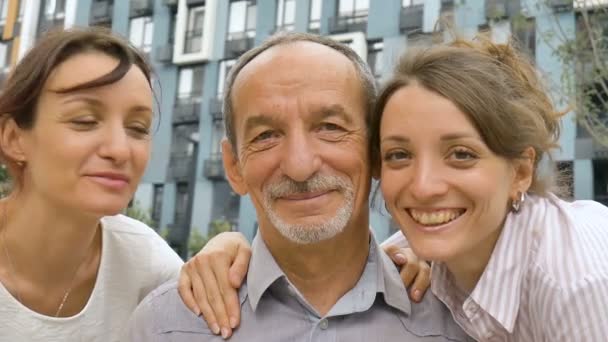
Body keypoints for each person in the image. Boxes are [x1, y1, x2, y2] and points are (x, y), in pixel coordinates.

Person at [184, 37, 608, 341]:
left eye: (461, 154)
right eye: (400, 156)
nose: (423, 188)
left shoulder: (578, 283)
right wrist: (227, 247)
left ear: (520, 171)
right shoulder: (424, 247)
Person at [127, 32, 470, 341]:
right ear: (234, 167)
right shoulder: (164, 327)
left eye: (330, 127)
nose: (300, 165)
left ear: (376, 150)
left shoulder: (465, 324)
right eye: (266, 136)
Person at [0, 27, 219, 342]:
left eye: (137, 128)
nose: (119, 150)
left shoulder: (146, 264)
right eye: (84, 121)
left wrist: (224, 255)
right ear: (13, 138)